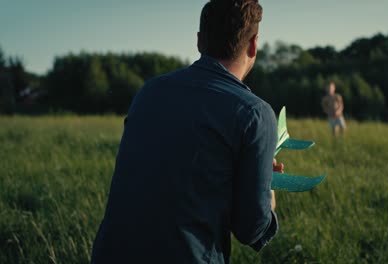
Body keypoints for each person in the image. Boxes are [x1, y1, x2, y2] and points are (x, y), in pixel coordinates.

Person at [91, 0, 283, 263]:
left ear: (199, 41)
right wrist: (267, 188)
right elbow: (251, 229)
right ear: (253, 44)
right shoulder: (255, 113)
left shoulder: (150, 92)